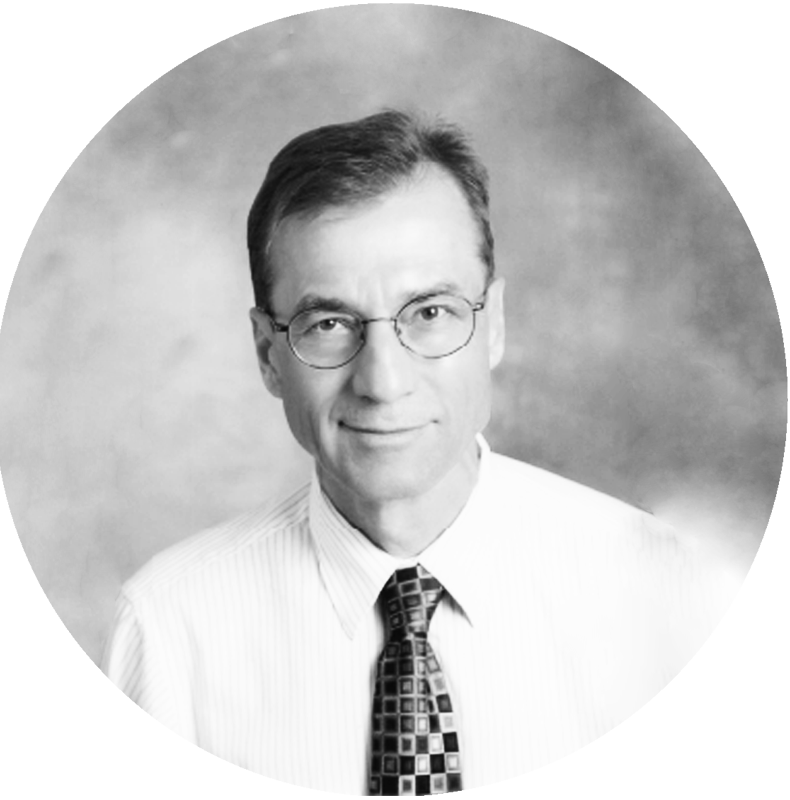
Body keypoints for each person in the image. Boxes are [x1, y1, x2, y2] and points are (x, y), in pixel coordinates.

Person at [104, 110, 722, 795]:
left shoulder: (654, 586)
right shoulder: (171, 629)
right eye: (329, 323)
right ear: (267, 354)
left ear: (493, 325)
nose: (383, 381)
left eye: (429, 313)